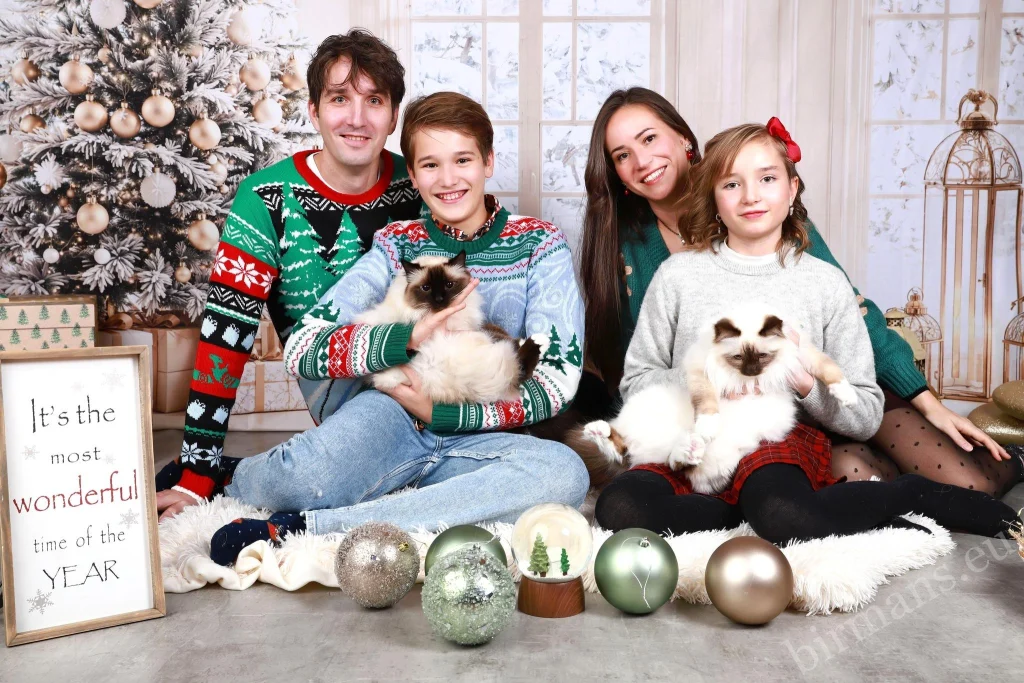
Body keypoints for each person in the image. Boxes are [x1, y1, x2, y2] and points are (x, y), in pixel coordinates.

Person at [578, 87, 1020, 498]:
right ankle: (889, 474)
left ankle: (1007, 459)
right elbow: (639, 366)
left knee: (967, 480)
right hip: (754, 418)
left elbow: (855, 312)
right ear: (616, 173)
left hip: (833, 387)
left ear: (683, 140)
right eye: (622, 155)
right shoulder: (627, 250)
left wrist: (929, 403)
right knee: (854, 479)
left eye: (650, 138)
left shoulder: (762, 208)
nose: (642, 160)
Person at [206, 91, 589, 565]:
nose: (447, 179)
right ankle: (232, 475)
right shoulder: (395, 244)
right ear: (413, 174)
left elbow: (556, 380)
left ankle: (312, 528)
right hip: (393, 419)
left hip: (494, 434)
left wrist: (446, 415)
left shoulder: (540, 243)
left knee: (565, 476)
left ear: (489, 162)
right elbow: (303, 348)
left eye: (463, 159)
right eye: (430, 165)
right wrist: (403, 340)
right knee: (296, 482)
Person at [155, 30, 424, 518]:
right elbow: (225, 340)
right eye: (340, 99)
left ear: (393, 116)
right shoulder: (265, 200)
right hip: (349, 402)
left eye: (375, 101)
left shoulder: (422, 185)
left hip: (436, 387)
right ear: (314, 110)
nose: (357, 118)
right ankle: (247, 475)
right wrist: (197, 472)